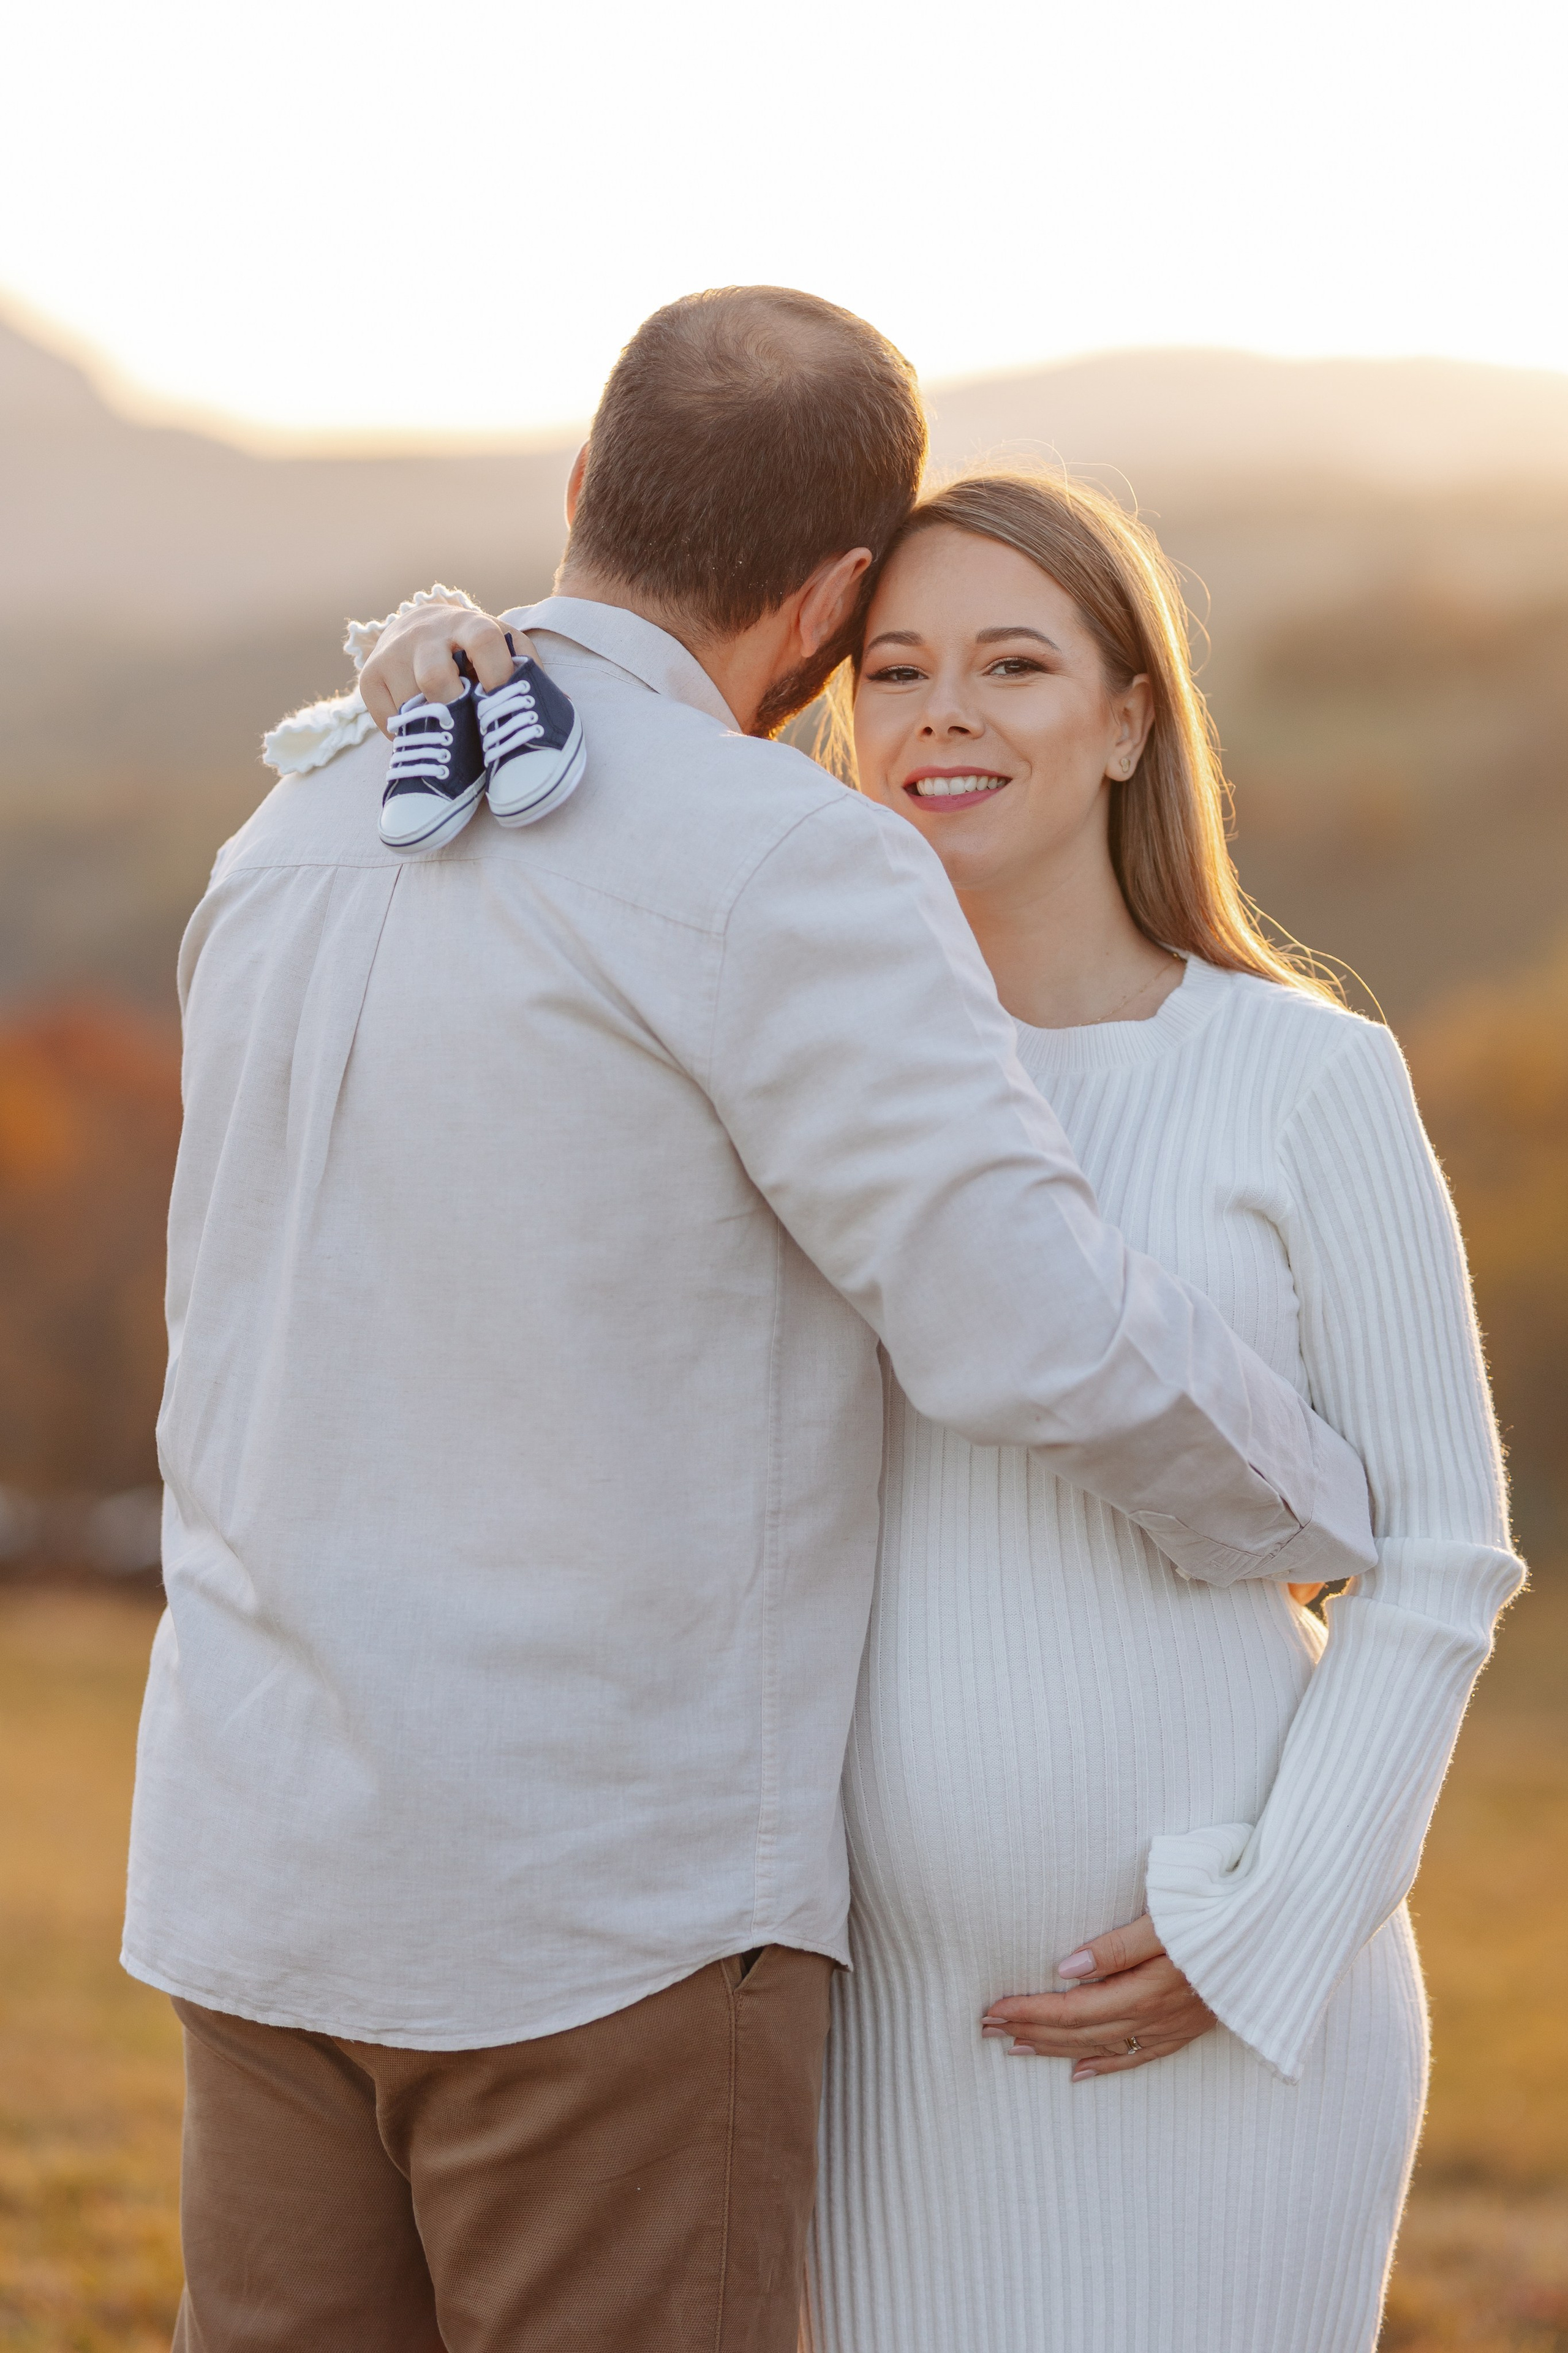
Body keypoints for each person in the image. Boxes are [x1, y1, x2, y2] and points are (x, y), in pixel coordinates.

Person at [127, 288, 1376, 2353]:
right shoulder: (787, 860)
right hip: (593, 1911)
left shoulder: (299, 823)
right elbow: (1029, 1322)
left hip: (260, 1870)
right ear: (831, 603)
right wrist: (1320, 1506)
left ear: (580, 488)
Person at [795, 472, 1523, 2353]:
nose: (944, 712)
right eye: (898, 669)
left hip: (1224, 2026)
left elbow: (1444, 1554)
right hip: (868, 2017)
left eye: (1014, 664)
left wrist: (1266, 1922)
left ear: (1131, 720)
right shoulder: (805, 1080)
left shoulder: (1304, 1074)